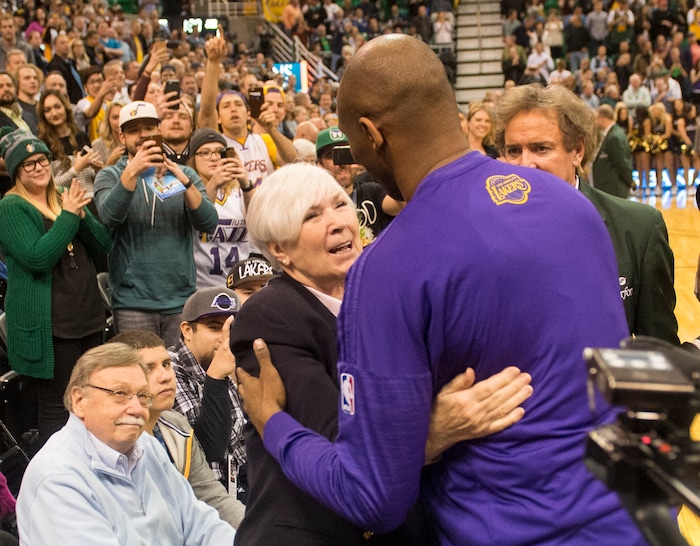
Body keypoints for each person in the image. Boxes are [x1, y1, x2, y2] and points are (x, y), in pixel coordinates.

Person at [234, 35, 646, 545]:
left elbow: (373, 497)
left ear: (371, 133)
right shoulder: (572, 207)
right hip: (627, 518)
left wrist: (273, 422)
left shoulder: (390, 266)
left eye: (353, 142)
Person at [230, 163, 532, 544]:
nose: (337, 222)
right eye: (311, 215)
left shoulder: (388, 294)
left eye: (340, 204)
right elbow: (341, 448)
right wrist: (435, 429)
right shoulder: (269, 316)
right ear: (280, 250)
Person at [495, 84, 678, 344]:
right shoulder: (485, 234)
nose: (525, 164)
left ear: (577, 151)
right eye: (514, 151)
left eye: (541, 148)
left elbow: (660, 349)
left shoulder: (639, 228)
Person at [16, 343, 237, 544]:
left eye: (142, 396)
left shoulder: (145, 446)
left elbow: (199, 523)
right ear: (79, 400)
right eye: (120, 393)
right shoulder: (57, 480)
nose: (136, 408)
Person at [0, 128, 110, 446]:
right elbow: (37, 258)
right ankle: (54, 482)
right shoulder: (11, 208)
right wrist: (69, 216)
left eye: (43, 160)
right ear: (16, 171)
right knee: (57, 409)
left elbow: (103, 245)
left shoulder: (64, 200)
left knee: (92, 402)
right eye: (28, 163)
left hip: (86, 318)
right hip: (50, 329)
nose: (38, 167)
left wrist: (81, 214)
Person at [94, 101, 218, 347]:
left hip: (180, 297)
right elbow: (110, 217)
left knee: (176, 377)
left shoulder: (184, 174)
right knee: (139, 376)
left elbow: (208, 223)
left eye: (149, 127)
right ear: (121, 136)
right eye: (134, 130)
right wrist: (132, 171)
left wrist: (184, 183)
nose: (143, 135)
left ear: (159, 131)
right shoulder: (109, 175)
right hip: (133, 300)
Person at [109, 330, 246, 528]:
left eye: (166, 364)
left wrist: (257, 532)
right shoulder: (108, 438)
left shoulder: (176, 426)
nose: (165, 376)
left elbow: (211, 497)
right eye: (149, 368)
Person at [170, 287, 247, 501]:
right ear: (187, 330)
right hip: (197, 497)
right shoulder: (168, 369)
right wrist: (215, 378)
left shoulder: (236, 358)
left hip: (236, 487)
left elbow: (243, 446)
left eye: (230, 329)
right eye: (214, 328)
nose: (224, 339)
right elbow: (207, 450)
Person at [187, 127, 254, 289]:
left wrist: (245, 183)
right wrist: (214, 184)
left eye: (219, 151)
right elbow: (201, 215)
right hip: (201, 287)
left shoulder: (240, 193)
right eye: (205, 152)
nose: (213, 158)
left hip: (240, 286)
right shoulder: (188, 192)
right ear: (193, 158)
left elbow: (257, 219)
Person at [316, 127, 403, 243]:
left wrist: (377, 164)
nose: (342, 164)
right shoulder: (315, 203)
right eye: (332, 156)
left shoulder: (371, 191)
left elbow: (402, 205)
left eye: (346, 153)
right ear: (319, 164)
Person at [37, 90, 103, 198]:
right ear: (43, 115)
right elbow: (50, 185)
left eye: (57, 107)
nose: (54, 113)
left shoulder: (81, 136)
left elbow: (94, 179)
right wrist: (76, 168)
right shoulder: (43, 144)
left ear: (66, 107)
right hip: (65, 203)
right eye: (48, 110)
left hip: (92, 200)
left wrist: (97, 169)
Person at [592, 103, 634, 198]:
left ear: (603, 118)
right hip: (611, 188)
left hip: (614, 189)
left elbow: (621, 163)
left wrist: (630, 182)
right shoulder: (614, 133)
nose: (595, 122)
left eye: (596, 118)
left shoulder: (614, 137)